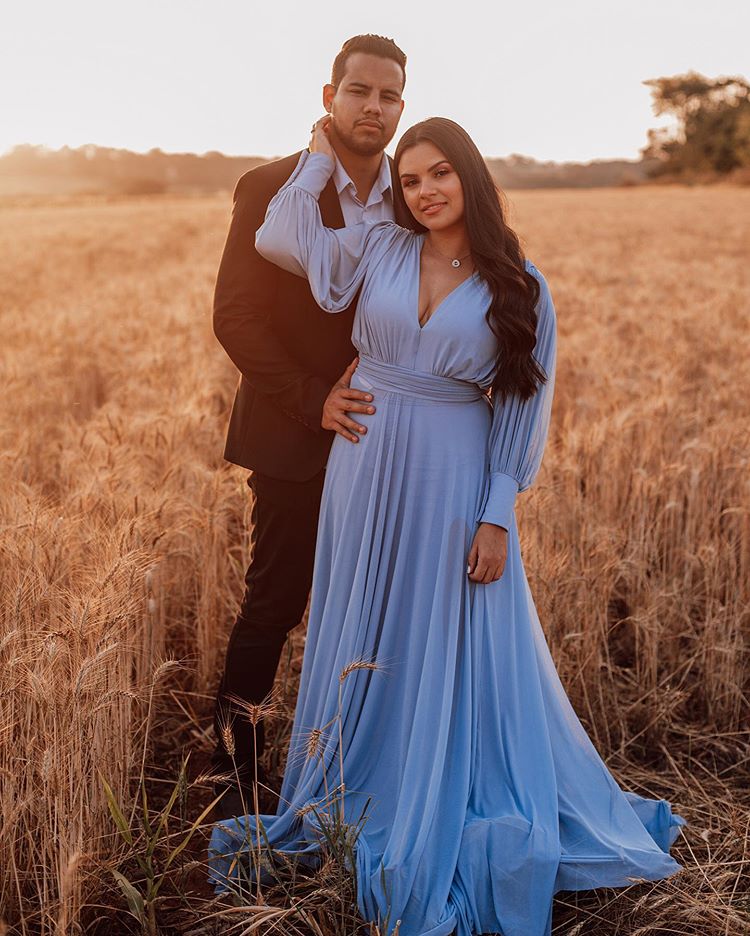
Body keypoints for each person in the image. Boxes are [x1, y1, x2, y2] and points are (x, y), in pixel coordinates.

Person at [208, 117, 686, 936]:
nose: (425, 191)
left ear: (470, 179)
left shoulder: (520, 285)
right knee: (365, 623)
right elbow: (285, 235)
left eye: (441, 175)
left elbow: (523, 410)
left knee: (442, 633)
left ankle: (433, 784)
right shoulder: (381, 249)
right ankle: (350, 791)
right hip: (362, 468)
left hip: (453, 473)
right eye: (412, 178)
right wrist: (321, 158)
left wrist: (495, 516)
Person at [210, 35, 411, 817]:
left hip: (388, 438)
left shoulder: (414, 197)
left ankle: (364, 762)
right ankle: (232, 770)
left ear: (402, 105)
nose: (374, 107)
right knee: (278, 598)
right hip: (297, 435)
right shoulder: (271, 187)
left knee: (380, 598)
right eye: (359, 91)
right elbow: (236, 316)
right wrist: (311, 398)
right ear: (330, 97)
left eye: (389, 95)